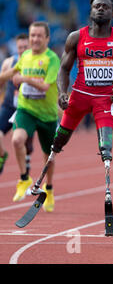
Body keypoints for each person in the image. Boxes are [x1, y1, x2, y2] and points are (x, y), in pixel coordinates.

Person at [49, 0, 113, 195]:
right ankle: (52, 158)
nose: (100, 9)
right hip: (79, 95)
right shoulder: (76, 37)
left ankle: (107, 180)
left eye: (105, 6)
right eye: (96, 6)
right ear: (90, 11)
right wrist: (62, 93)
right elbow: (63, 69)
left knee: (106, 147)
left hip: (105, 99)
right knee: (60, 137)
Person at [0, 22, 60, 212]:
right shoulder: (25, 56)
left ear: (47, 39)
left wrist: (24, 79)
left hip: (47, 115)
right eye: (32, 35)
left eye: (39, 36)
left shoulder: (52, 59)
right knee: (17, 140)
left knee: (47, 156)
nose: (34, 39)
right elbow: (11, 73)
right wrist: (4, 76)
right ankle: (24, 178)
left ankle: (48, 189)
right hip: (26, 110)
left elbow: (44, 86)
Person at [0, 33, 34, 175]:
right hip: (9, 105)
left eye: (25, 47)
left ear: (30, 46)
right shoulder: (9, 62)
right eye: (20, 47)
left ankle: (25, 173)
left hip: (27, 107)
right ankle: (2, 155)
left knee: (25, 144)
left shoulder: (35, 63)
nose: (22, 50)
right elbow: (1, 82)